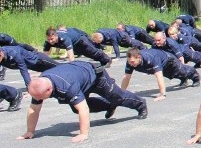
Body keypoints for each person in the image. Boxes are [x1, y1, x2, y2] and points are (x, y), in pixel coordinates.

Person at [18, 61, 148, 143]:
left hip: (97, 77)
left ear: (49, 89)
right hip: (79, 77)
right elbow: (34, 108)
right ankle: (109, 105)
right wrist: (30, 131)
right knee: (75, 107)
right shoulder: (39, 86)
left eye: (41, 97)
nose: (39, 100)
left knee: (117, 97)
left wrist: (83, 134)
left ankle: (140, 104)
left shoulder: (67, 86)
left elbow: (83, 109)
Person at [121, 47, 200, 101]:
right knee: (171, 75)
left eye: (132, 62)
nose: (130, 64)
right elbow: (126, 77)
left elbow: (159, 76)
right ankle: (183, 79)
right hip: (161, 64)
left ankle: (196, 77)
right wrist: (122, 93)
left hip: (168, 60)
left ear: (138, 57)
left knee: (182, 71)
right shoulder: (130, 61)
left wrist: (162, 94)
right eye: (129, 62)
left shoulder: (150, 58)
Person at [44, 26, 111, 67]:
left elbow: (71, 56)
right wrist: (45, 67)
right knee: (87, 54)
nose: (50, 41)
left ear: (56, 35)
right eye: (48, 39)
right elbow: (45, 57)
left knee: (93, 51)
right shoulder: (47, 42)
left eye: (52, 39)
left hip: (80, 39)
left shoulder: (64, 38)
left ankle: (107, 60)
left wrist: (73, 68)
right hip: (74, 44)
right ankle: (101, 61)